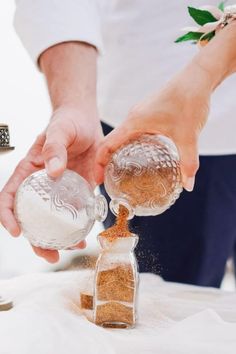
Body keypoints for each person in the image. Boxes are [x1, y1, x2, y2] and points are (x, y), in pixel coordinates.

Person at [1, 0, 236, 287]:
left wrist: (201, 75)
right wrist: (74, 102)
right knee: (176, 296)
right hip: (146, 139)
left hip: (173, 120)